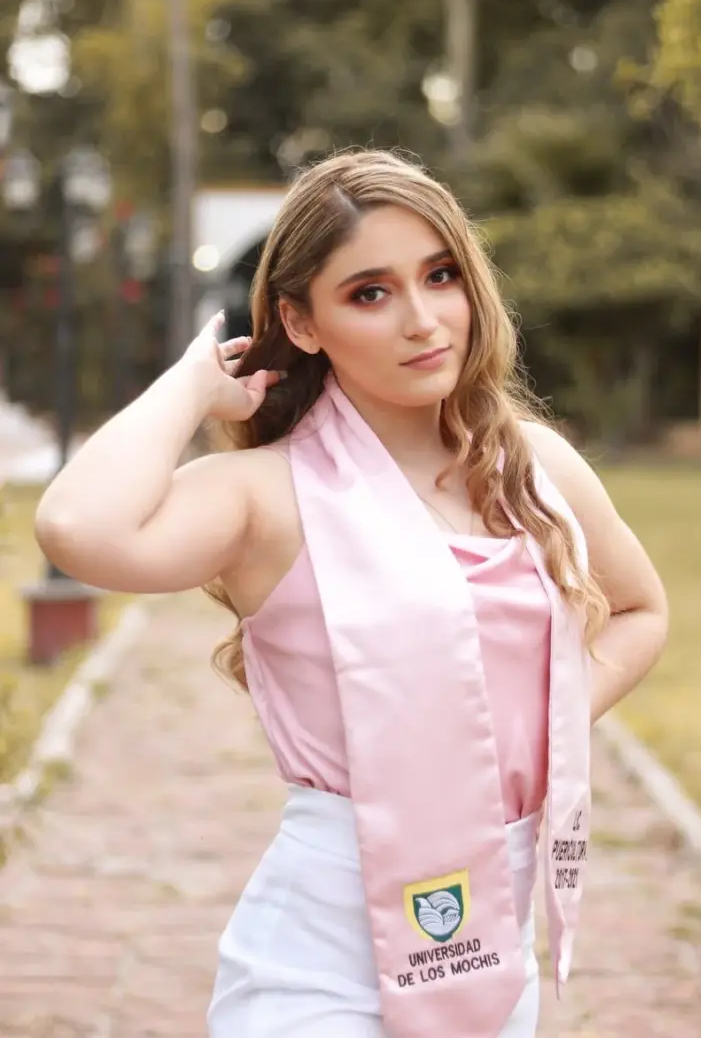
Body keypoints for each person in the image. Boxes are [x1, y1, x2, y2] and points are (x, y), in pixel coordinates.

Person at [35, 149, 668, 1038]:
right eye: (370, 293)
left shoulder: (532, 468)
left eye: (440, 276)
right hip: (319, 969)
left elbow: (641, 611)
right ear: (301, 321)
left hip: (492, 952)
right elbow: (77, 527)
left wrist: (538, 725)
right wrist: (193, 384)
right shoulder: (267, 495)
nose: (422, 319)